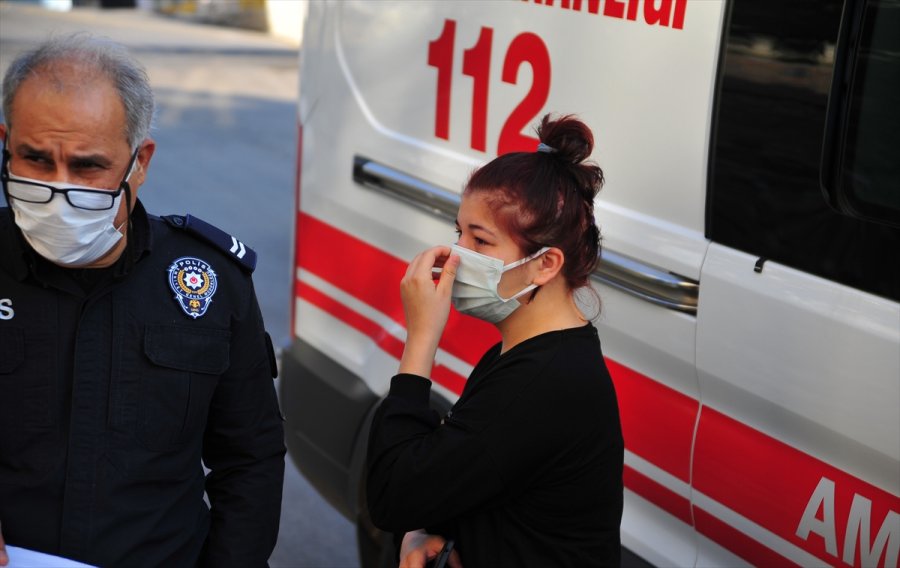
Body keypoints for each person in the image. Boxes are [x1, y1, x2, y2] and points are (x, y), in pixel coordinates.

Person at [0, 35, 285, 567]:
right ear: (6, 144)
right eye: (35, 160)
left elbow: (250, 458)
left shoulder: (211, 283)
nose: (60, 192)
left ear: (140, 162)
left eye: (88, 167)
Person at [366, 114, 624, 567]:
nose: (457, 256)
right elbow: (466, 478)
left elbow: (392, 494)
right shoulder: (529, 353)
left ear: (545, 265)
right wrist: (424, 531)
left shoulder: (546, 384)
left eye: (481, 241)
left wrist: (421, 339)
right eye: (459, 233)